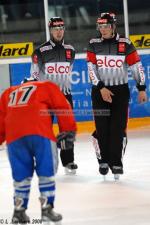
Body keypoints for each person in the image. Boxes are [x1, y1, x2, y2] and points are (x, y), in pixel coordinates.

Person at [0, 78, 76, 223]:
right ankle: (47, 209)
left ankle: (19, 212)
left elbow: (1, 120)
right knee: (46, 171)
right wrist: (68, 130)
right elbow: (62, 106)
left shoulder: (8, 93)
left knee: (21, 176)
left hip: (14, 137)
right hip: (40, 133)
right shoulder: (45, 86)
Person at [86, 12, 147, 180]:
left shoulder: (125, 44)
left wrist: (141, 88)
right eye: (100, 26)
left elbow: (137, 67)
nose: (103, 29)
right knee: (102, 128)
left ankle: (116, 162)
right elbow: (91, 70)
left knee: (117, 129)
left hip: (120, 92)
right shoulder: (93, 44)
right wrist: (101, 87)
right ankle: (103, 160)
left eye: (106, 26)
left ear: (113, 26)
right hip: (99, 93)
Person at [30, 16, 78, 174]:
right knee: (45, 130)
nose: (58, 32)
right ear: (50, 31)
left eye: (61, 28)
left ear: (64, 30)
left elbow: (67, 74)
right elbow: (35, 76)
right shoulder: (40, 52)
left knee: (67, 129)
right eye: (55, 29)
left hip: (65, 96)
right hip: (45, 99)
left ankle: (68, 161)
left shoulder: (71, 50)